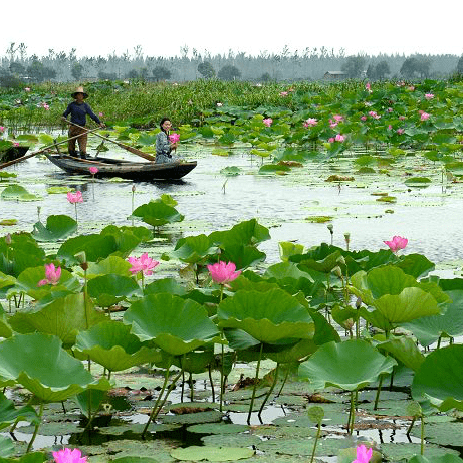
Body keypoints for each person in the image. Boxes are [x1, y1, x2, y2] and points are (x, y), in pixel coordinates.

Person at [61, 86, 104, 158]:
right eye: (78, 94)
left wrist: (99, 123)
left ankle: (83, 160)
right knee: (71, 149)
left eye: (81, 94)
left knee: (83, 151)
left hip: (82, 129)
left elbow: (92, 115)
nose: (80, 96)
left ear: (83, 96)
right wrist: (64, 117)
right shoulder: (71, 105)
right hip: (73, 128)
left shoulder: (85, 106)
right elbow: (66, 113)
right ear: (76, 96)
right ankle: (73, 160)